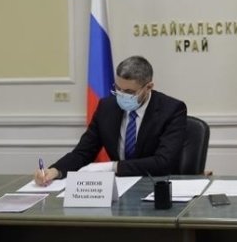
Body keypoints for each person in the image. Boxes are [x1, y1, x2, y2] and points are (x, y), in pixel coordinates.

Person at [35, 55, 187, 184]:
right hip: (118, 186)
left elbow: (163, 162)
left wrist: (113, 167)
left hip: (156, 186)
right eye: (118, 89)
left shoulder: (172, 110)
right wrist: (55, 171)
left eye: (129, 91)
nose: (122, 95)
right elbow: (83, 152)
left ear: (148, 87)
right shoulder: (107, 107)